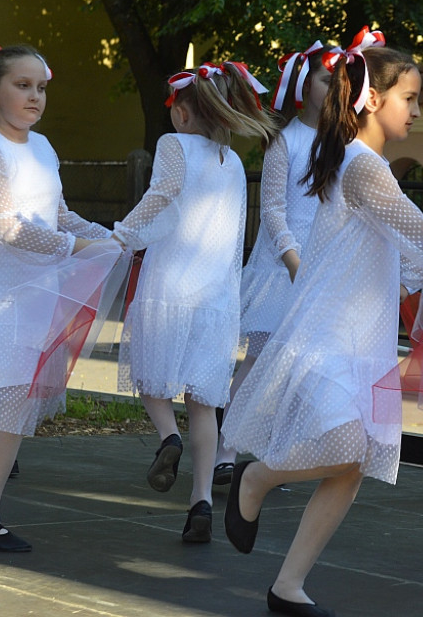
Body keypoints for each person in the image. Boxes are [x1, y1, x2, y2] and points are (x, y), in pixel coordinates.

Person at [219, 29, 423, 617]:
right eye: (409, 99)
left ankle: (289, 584)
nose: (418, 111)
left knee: (355, 462)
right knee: (345, 448)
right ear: (372, 100)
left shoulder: (363, 163)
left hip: (362, 334)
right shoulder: (363, 166)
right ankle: (258, 480)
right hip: (330, 330)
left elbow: (405, 248)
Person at [0, 43, 120, 551]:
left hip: (37, 298)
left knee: (12, 408)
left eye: (41, 88)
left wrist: (109, 237)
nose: (35, 97)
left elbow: (57, 215)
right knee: (8, 407)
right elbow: (7, 229)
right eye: (22, 86)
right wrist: (82, 247)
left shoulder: (43, 147)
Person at [114, 61, 280, 543]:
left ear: (183, 114)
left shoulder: (172, 145)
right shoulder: (230, 163)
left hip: (169, 285)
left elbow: (163, 197)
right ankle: (201, 502)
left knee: (150, 377)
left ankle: (168, 437)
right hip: (216, 296)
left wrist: (125, 233)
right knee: (204, 404)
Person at [213, 42, 328, 485]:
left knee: (303, 366)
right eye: (325, 78)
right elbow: (275, 209)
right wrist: (293, 259)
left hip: (321, 270)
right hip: (284, 269)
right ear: (303, 84)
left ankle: (273, 454)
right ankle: (226, 451)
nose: (334, 87)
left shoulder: (345, 142)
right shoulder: (286, 140)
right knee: (258, 360)